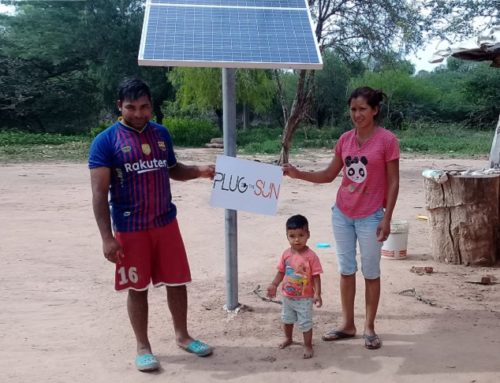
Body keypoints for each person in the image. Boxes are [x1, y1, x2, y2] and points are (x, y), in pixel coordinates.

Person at [88, 78, 215, 372]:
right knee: (138, 287)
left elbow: (172, 169)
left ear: (151, 106)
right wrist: (107, 238)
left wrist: (200, 171)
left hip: (165, 222)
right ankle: (143, 346)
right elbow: (98, 195)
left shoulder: (161, 134)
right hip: (130, 228)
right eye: (131, 107)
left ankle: (183, 336)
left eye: (144, 107)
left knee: (177, 281)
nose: (138, 113)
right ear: (119, 106)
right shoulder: (105, 141)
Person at [282, 87, 400, 350]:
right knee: (346, 270)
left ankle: (369, 327)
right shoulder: (345, 140)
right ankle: (348, 324)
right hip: (343, 214)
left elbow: (393, 182)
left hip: (371, 216)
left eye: (362, 109)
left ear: (375, 110)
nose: (357, 114)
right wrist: (298, 173)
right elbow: (328, 175)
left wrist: (387, 217)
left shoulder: (387, 140)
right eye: (353, 109)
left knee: (371, 272)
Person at [267, 214, 323, 359]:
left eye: (301, 235)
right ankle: (288, 338)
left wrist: (317, 294)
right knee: (287, 319)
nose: (297, 239)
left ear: (308, 235)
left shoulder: (311, 256)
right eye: (292, 236)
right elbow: (281, 271)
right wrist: (274, 284)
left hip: (304, 298)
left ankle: (308, 345)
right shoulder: (286, 254)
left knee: (305, 323)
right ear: (287, 236)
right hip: (287, 296)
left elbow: (316, 276)